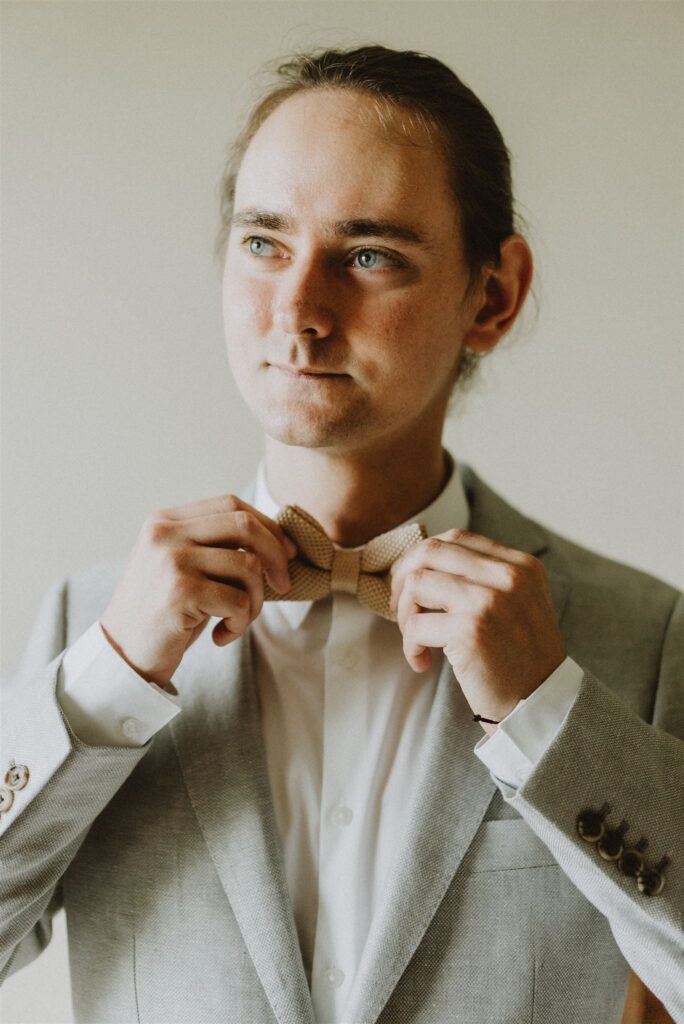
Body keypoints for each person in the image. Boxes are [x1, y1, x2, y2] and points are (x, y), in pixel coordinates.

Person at [1, 45, 682, 1024]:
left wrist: (551, 721)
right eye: (265, 244)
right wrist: (107, 678)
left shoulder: (643, 638)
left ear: (492, 296)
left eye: (370, 256)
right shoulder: (90, 625)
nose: (299, 312)